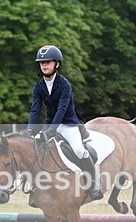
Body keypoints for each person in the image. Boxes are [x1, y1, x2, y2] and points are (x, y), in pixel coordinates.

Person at [24, 45, 103, 201]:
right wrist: (30, 131)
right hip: (50, 123)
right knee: (35, 151)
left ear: (57, 64)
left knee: (79, 150)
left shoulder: (64, 84)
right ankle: (34, 191)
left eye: (48, 62)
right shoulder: (38, 87)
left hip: (68, 124)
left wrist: (52, 130)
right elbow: (35, 110)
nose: (44, 65)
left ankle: (94, 184)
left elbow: (61, 109)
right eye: (41, 62)